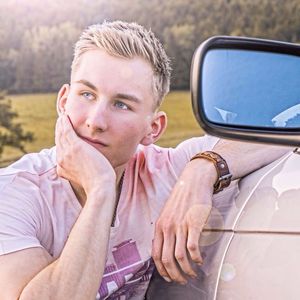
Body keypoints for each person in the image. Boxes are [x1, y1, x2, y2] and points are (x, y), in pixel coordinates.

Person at [0, 21, 288, 300]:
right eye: (87, 94)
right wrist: (101, 189)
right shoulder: (15, 193)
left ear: (153, 129)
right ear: (63, 101)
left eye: (121, 104)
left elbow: (278, 132)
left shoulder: (167, 171)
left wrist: (204, 168)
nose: (96, 121)